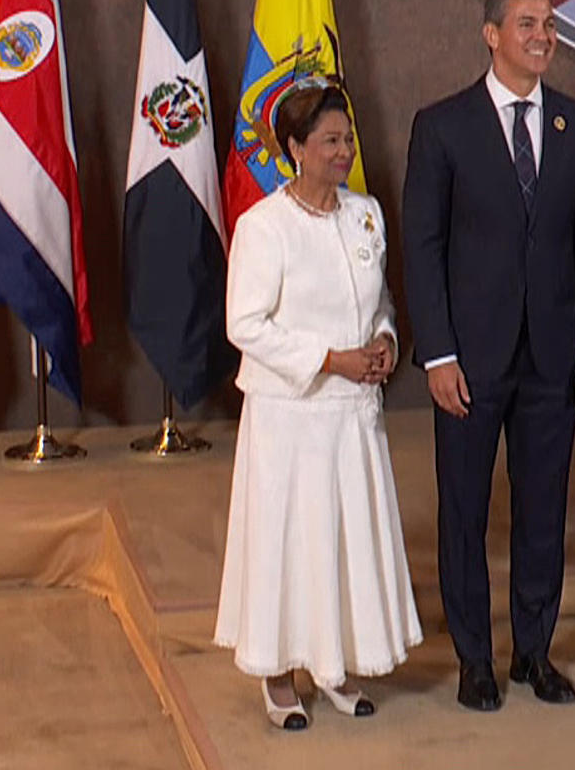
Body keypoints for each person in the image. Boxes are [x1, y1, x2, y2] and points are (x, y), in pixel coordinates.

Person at [402, 0, 575, 711]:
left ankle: (533, 652)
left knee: (543, 510)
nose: (543, 36)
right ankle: (474, 660)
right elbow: (423, 246)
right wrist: (438, 353)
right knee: (463, 511)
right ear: (492, 35)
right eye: (528, 24)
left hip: (554, 355)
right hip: (469, 359)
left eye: (549, 24)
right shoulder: (443, 126)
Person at [215, 80, 420, 730]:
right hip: (290, 416)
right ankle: (277, 672)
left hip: (353, 416)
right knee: (288, 540)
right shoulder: (263, 227)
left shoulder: (365, 213)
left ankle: (333, 663)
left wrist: (384, 341)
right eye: (330, 141)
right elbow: (244, 324)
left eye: (347, 139)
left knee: (341, 537)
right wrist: (332, 360)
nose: (343, 151)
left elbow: (379, 300)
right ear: (295, 149)